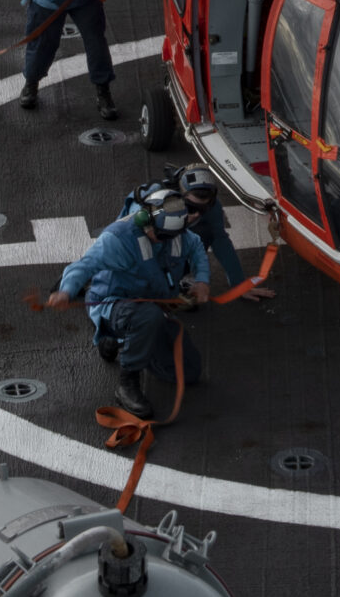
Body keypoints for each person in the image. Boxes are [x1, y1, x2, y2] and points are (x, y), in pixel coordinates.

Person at [47, 184, 212, 418]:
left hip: (153, 303)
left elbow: (195, 247)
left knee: (189, 371)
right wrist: (66, 292)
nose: (160, 242)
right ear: (145, 218)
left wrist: (202, 280)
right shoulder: (117, 238)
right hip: (114, 302)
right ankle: (127, 383)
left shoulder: (177, 233)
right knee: (147, 317)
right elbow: (83, 266)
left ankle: (123, 341)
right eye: (158, 235)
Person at [173, 166, 275, 302]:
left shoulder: (212, 206)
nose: (196, 214)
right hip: (148, 253)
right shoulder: (158, 204)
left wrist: (239, 285)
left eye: (202, 208)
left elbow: (221, 243)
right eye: (191, 207)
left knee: (205, 232)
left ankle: (179, 274)